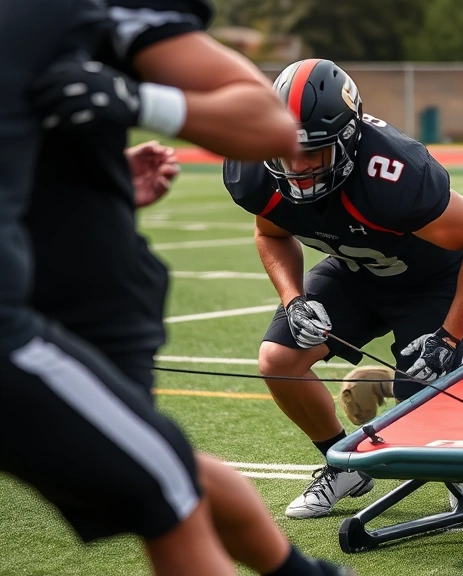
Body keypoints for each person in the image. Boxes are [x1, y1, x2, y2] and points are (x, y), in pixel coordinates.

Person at [10, 1, 352, 574]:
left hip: (69, 288)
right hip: (37, 269)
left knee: (157, 482)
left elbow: (270, 123)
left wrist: (137, 101)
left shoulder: (69, 14)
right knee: (157, 466)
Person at [222, 58, 463, 519]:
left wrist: (448, 339)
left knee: (421, 378)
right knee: (278, 361)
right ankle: (345, 462)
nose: (298, 167)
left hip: (433, 280)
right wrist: (293, 299)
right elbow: (271, 233)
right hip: (355, 271)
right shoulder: (256, 168)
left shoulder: (394, 172)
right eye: (286, 150)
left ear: (348, 140)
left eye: (313, 152)